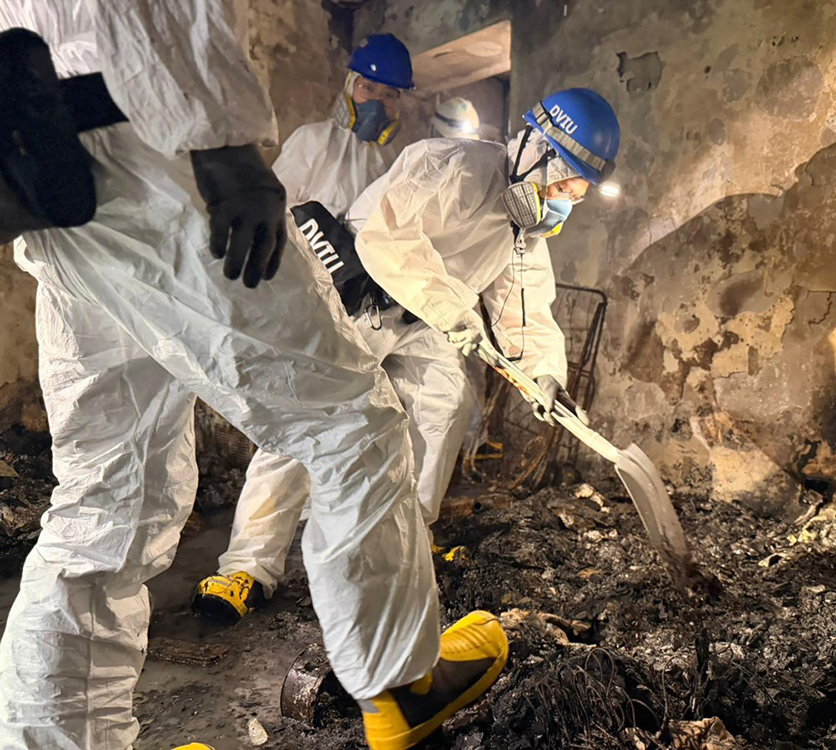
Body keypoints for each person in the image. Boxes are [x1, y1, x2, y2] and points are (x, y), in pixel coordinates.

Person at [0, 4, 506, 749]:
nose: (379, 102)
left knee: (107, 499)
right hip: (151, 154)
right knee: (352, 423)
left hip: (49, 169)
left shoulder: (393, 156)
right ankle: (400, 684)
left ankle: (64, 737)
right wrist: (224, 144)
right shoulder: (328, 146)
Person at [190, 85, 622, 628]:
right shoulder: (451, 165)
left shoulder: (523, 232)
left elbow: (526, 310)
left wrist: (546, 378)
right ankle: (248, 566)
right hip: (360, 298)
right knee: (309, 422)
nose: (562, 204)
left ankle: (407, 544)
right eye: (561, 185)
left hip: (427, 320)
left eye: (576, 196)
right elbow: (387, 243)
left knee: (442, 406)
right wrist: (455, 313)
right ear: (535, 151)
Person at [191, 32, 416, 622]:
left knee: (366, 438)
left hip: (366, 319)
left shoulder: (394, 162)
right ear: (349, 86)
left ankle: (343, 562)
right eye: (370, 88)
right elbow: (280, 214)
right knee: (293, 435)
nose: (379, 103)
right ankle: (246, 568)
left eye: (391, 95)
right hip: (309, 313)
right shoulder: (315, 141)